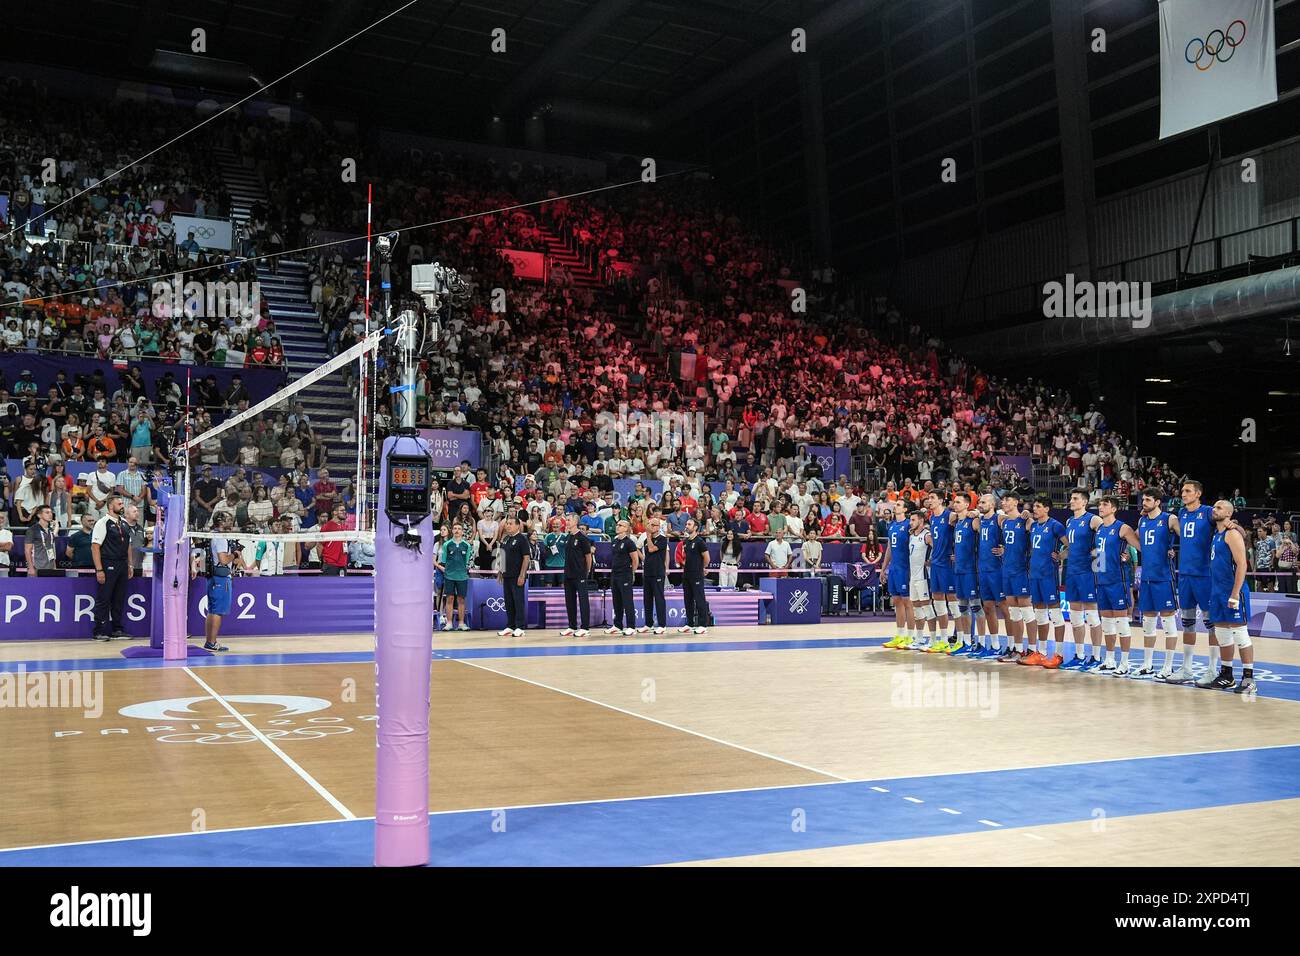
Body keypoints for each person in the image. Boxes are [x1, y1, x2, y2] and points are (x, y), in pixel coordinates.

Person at [1166, 480, 1218, 686]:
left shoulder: (1208, 512)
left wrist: (1235, 527)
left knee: (1211, 624)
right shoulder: (1182, 513)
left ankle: (1213, 669)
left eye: (1187, 491)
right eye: (1182, 491)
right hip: (1185, 575)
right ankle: (1187, 668)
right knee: (1187, 623)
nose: (1183, 494)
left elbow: (1227, 524)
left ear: (1198, 493)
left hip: (1204, 575)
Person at [1207, 500, 1255, 694]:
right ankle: (1227, 675)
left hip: (1233, 591)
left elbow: (1242, 564)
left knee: (1240, 634)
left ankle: (1249, 679)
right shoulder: (1216, 534)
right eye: (1214, 507)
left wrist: (1235, 593)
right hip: (1217, 592)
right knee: (1222, 634)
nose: (1214, 509)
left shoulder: (1232, 533)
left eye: (1219, 507)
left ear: (1228, 513)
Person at [1093, 496, 1142, 675]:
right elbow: (1099, 554)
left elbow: (1140, 546)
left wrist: (1128, 557)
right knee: (1107, 623)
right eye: (1099, 504)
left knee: (1122, 623)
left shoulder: (1122, 528)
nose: (1100, 507)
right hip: (1102, 580)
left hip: (1117, 581)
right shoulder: (1099, 528)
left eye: (1105, 504)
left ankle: (1125, 663)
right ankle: (1110, 660)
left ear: (1114, 508)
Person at [1135, 490, 1181, 679]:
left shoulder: (1169, 518)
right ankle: (1147, 664)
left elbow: (1185, 538)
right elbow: (1136, 538)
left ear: (1158, 502)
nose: (1144, 502)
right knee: (1148, 623)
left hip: (1164, 577)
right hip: (1146, 578)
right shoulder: (1142, 521)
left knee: (1169, 623)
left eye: (1147, 500)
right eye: (1143, 499)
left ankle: (1168, 666)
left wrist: (1171, 550)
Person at [1023, 495, 1067, 667]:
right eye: (1034, 506)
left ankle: (1059, 654)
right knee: (1040, 614)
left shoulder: (1055, 525)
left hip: (1049, 574)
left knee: (1055, 614)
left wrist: (1062, 555)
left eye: (1039, 506)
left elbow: (1070, 544)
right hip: (1035, 574)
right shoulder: (1034, 526)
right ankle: (1040, 653)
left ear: (1047, 509)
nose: (1035, 509)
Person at [1061, 489, 1102, 670]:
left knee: (1093, 617)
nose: (1071, 501)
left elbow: (1106, 541)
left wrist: (1100, 566)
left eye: (1075, 498)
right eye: (1071, 498)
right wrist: (1060, 555)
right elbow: (1071, 549)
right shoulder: (1069, 521)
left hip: (1087, 573)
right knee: (1075, 618)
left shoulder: (1093, 519)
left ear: (1084, 502)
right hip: (1072, 572)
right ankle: (1078, 655)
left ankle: (1096, 657)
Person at [91, 494, 133, 640]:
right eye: (119, 504)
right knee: (105, 598)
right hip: (108, 563)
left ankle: (117, 630)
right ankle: (99, 630)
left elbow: (128, 546)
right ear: (111, 506)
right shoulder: (102, 523)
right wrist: (99, 569)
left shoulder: (124, 523)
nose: (122, 506)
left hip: (122, 564)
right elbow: (95, 547)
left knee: (119, 598)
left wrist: (130, 564)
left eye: (122, 504)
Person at [881, 502, 915, 648]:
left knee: (908, 602)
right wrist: (883, 568)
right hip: (894, 568)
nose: (896, 506)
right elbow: (889, 547)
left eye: (899, 504)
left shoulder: (909, 525)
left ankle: (911, 636)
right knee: (896, 601)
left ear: (905, 509)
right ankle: (900, 635)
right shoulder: (891, 525)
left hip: (905, 567)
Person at [202, 513, 235, 652]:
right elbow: (223, 560)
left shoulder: (212, 535)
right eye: (229, 519)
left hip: (213, 576)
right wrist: (235, 554)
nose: (232, 522)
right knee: (218, 611)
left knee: (212, 610)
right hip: (221, 577)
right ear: (221, 522)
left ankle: (209, 642)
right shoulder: (220, 537)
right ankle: (212, 642)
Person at [560, 514, 593, 638]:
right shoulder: (568, 537)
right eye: (566, 520)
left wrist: (587, 571)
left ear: (575, 521)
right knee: (570, 601)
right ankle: (572, 626)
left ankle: (585, 628)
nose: (566, 522)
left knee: (583, 601)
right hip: (568, 574)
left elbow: (588, 557)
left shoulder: (583, 538)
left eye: (568, 520)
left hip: (580, 574)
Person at [497, 515, 530, 638]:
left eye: (510, 523)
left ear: (517, 525)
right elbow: (502, 556)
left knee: (518, 601)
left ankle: (520, 627)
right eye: (507, 523)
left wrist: (522, 575)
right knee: (509, 602)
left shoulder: (522, 539)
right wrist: (500, 571)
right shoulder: (505, 539)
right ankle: (510, 626)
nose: (508, 526)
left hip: (517, 576)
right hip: (507, 575)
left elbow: (526, 558)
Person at [436, 522, 472, 632]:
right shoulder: (447, 545)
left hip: (462, 576)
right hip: (449, 576)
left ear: (462, 531)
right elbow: (443, 561)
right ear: (452, 531)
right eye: (455, 528)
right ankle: (449, 623)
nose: (457, 530)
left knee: (461, 599)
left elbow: (467, 561)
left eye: (459, 529)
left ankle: (461, 623)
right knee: (449, 599)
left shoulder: (467, 545)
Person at [678, 518, 711, 635]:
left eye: (689, 524)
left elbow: (707, 558)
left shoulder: (700, 542)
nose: (686, 526)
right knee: (688, 600)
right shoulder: (686, 542)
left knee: (699, 599)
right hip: (687, 574)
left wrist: (702, 568)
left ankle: (703, 625)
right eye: (686, 524)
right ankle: (689, 624)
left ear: (695, 527)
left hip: (697, 575)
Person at [606, 519, 640, 636]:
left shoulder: (629, 542)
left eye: (620, 525)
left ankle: (631, 626)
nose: (617, 526)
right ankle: (618, 625)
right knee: (617, 601)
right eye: (617, 524)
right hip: (615, 574)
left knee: (627, 601)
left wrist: (632, 573)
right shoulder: (614, 541)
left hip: (625, 575)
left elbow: (635, 560)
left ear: (626, 528)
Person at [639, 515, 668, 634]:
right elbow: (646, 555)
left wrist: (648, 535)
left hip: (658, 573)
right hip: (648, 573)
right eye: (649, 524)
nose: (650, 527)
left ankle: (662, 624)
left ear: (658, 527)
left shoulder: (662, 539)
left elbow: (651, 549)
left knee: (659, 599)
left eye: (653, 525)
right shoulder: (646, 540)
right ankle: (648, 623)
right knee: (647, 599)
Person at [25, 505, 62, 577]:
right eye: (47, 512)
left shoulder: (50, 530)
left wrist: (54, 566)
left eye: (51, 512)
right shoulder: (32, 530)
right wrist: (31, 567)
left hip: (50, 568)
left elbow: (51, 548)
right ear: (39, 515)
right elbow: (27, 550)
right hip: (37, 567)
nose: (50, 514)